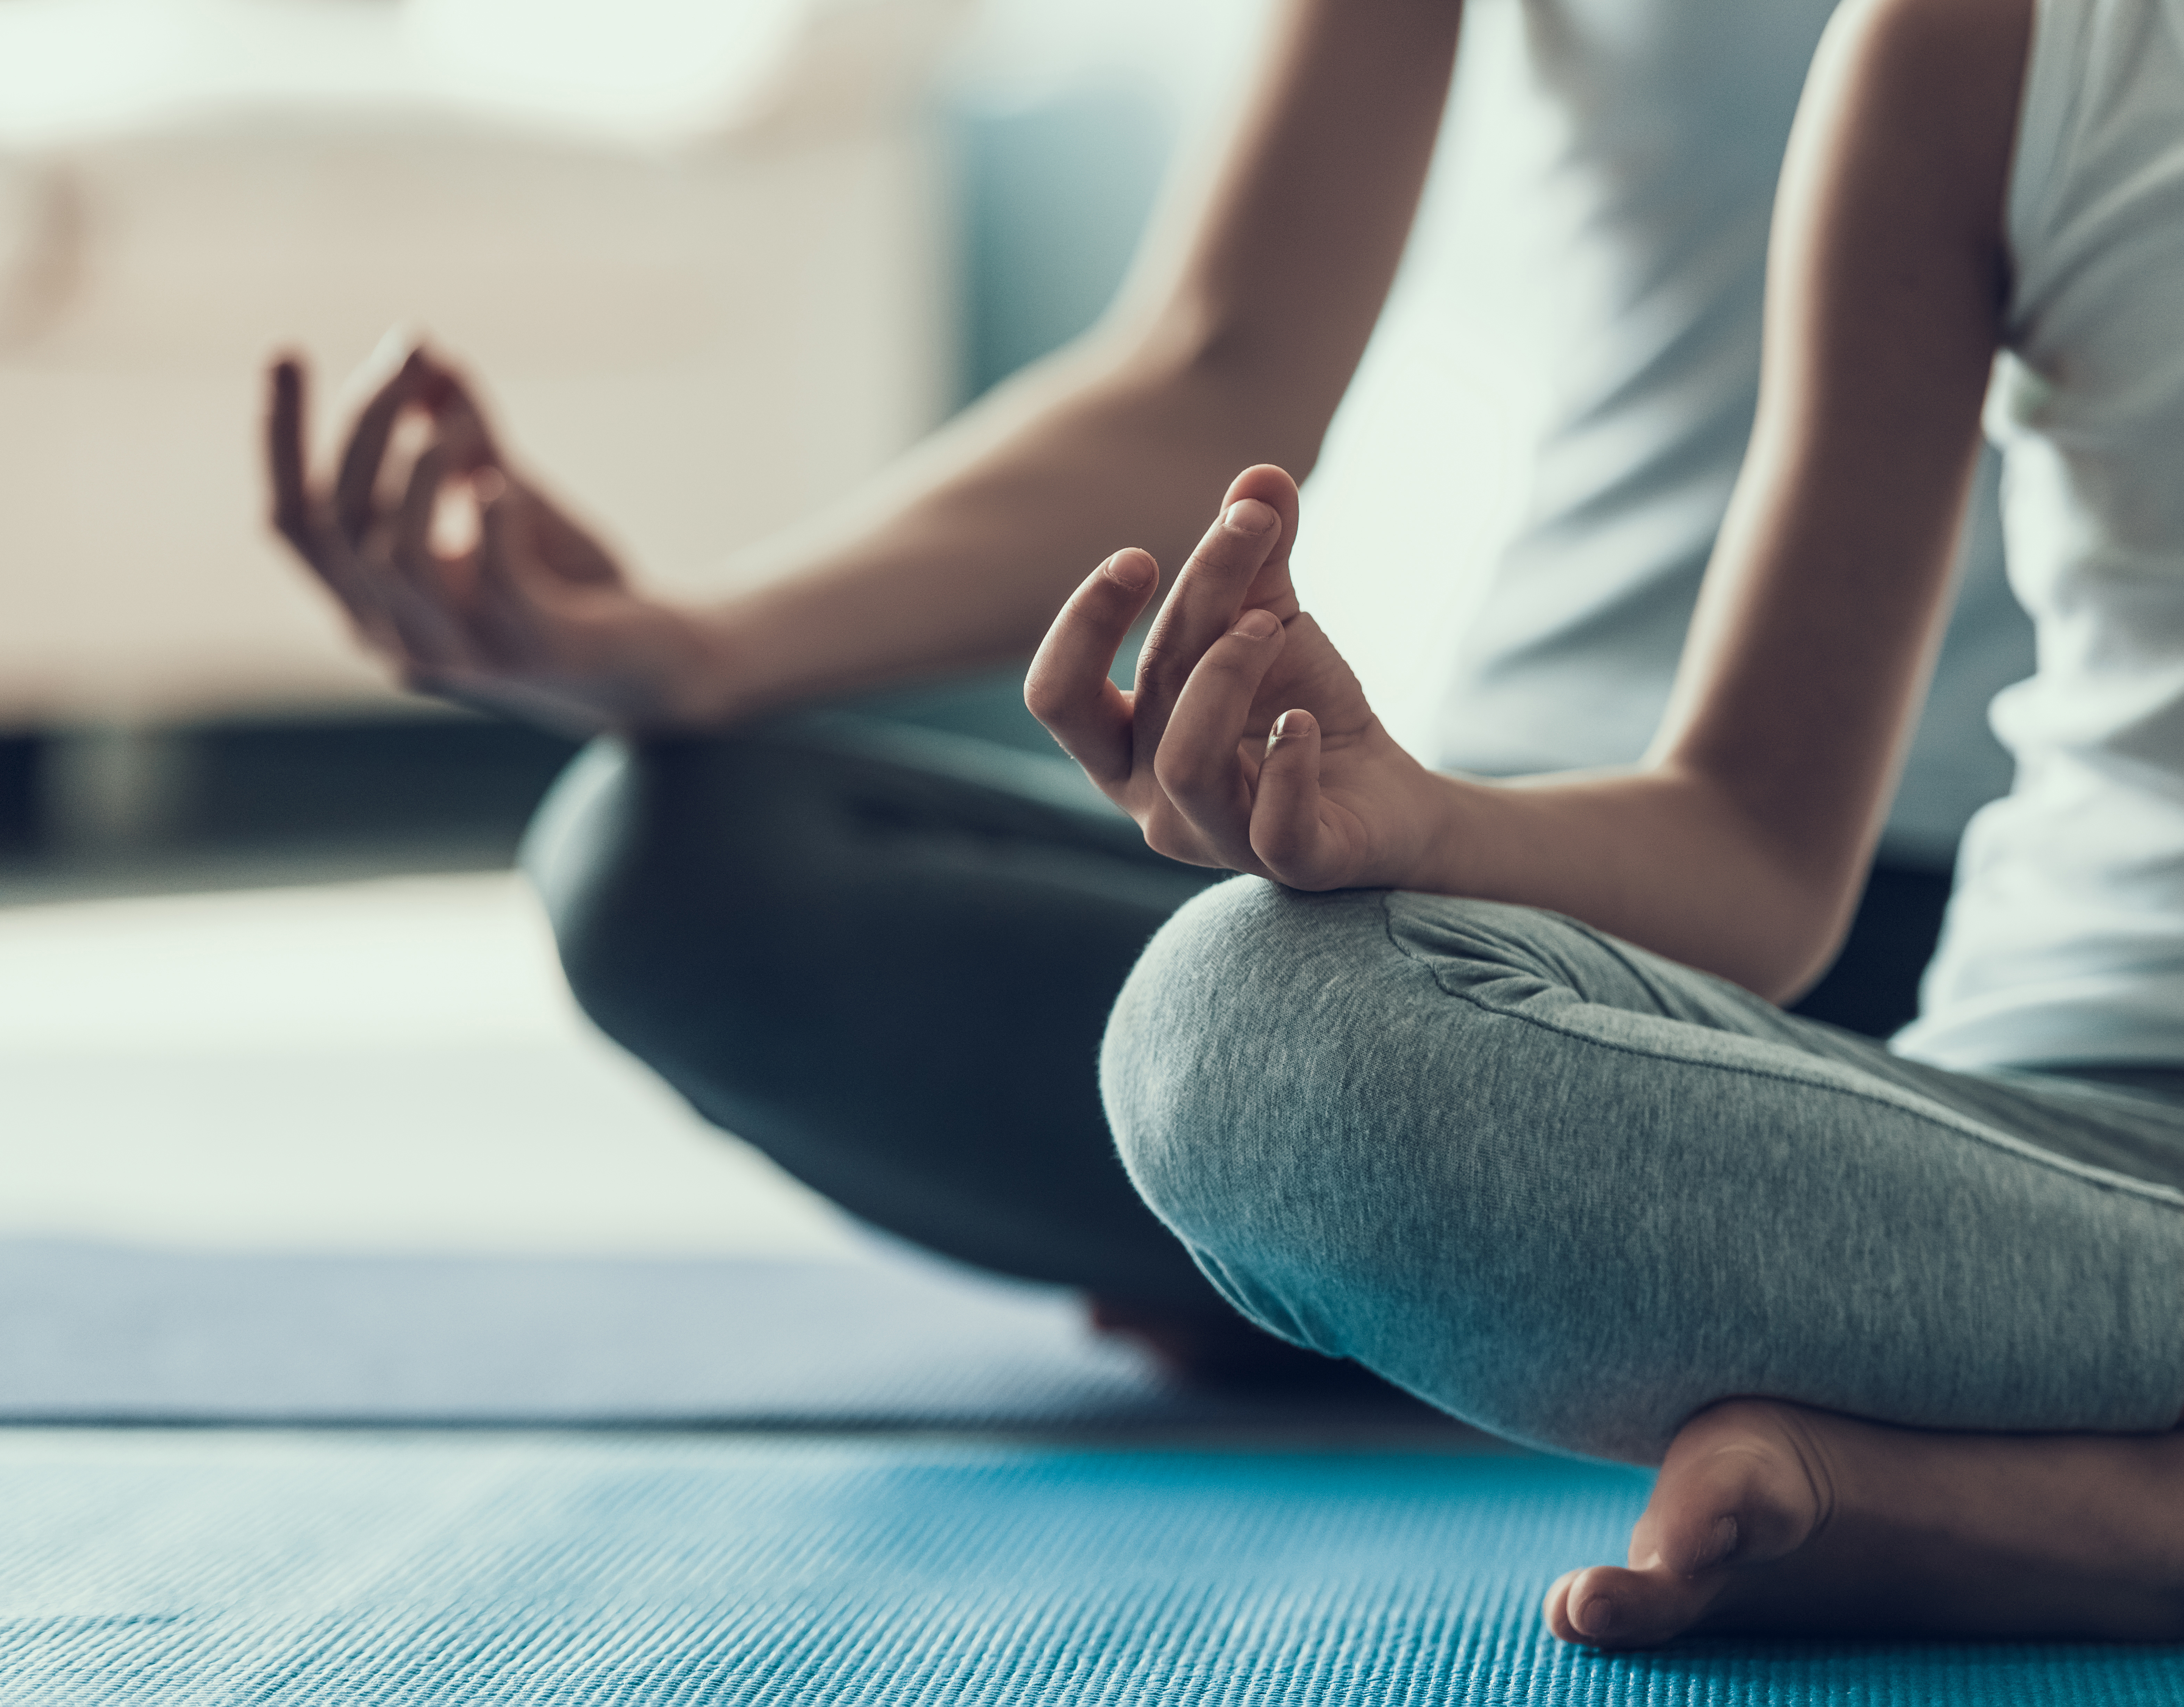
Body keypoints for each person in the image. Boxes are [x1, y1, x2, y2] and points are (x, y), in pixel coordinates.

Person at [1026, 0, 2184, 1649]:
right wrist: (1413, 816)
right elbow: (1752, 851)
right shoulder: (1981, 47)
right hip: (2058, 1170)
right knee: (1243, 1026)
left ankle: (2080, 1517)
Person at [264, 0, 2030, 1380]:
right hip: (1503, 881)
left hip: (2012, 929)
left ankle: (1399, 1280)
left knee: (2161, 1118)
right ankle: (1503, 1275)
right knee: (678, 853)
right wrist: (689, 644)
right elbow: (1220, 366)